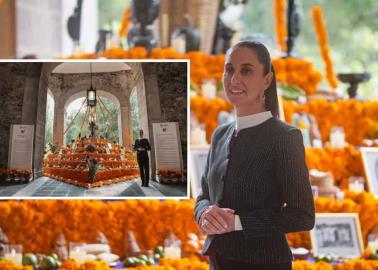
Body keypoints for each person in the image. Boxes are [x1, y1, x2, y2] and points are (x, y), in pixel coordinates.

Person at [194, 41, 315, 270]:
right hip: (218, 262)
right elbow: (203, 196)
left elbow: (303, 216)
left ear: (267, 80)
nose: (234, 79)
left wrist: (238, 223)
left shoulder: (284, 137)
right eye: (229, 69)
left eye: (246, 70)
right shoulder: (220, 134)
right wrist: (204, 214)